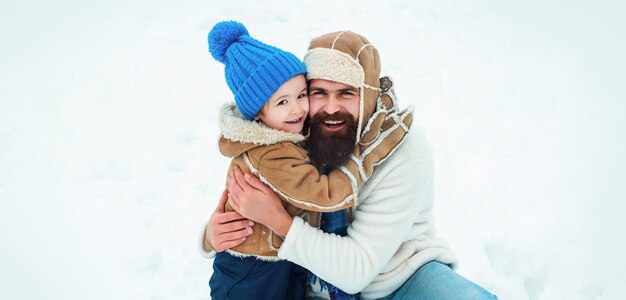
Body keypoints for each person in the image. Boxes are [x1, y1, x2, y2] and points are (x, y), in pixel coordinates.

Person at [202, 30, 497, 299]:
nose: (331, 108)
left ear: (367, 94)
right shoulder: (298, 129)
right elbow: (255, 192)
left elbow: (355, 271)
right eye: (319, 93)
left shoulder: (403, 150)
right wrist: (213, 235)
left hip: (397, 280)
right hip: (315, 286)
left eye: (346, 93)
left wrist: (278, 221)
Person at [205, 21, 404, 299]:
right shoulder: (272, 152)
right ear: (258, 115)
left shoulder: (289, 132)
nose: (298, 108)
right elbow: (324, 196)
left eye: (300, 95)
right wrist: (366, 156)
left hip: (284, 261)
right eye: (282, 102)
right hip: (251, 273)